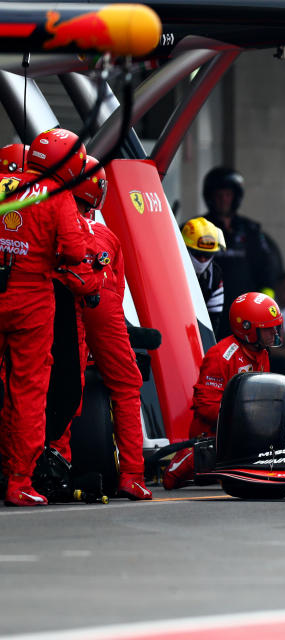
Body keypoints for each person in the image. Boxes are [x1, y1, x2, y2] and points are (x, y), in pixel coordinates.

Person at [0, 128, 88, 506]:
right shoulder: (59, 195)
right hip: (32, 297)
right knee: (29, 390)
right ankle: (19, 480)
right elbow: (74, 250)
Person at [71, 157, 151, 500]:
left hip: (61, 300)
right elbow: (115, 293)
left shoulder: (41, 218)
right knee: (127, 384)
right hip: (101, 303)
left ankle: (53, 467)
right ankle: (132, 474)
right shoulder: (107, 236)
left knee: (58, 384)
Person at [163, 292, 283, 490]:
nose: (274, 333)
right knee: (173, 479)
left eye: (275, 328)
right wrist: (245, 420)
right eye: (268, 329)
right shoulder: (221, 356)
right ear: (247, 328)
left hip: (248, 430)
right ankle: (192, 460)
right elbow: (206, 406)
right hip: (214, 435)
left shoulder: (261, 353)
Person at [201, 167, 279, 336]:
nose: (223, 200)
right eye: (218, 195)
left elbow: (267, 272)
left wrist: (263, 307)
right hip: (207, 314)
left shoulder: (252, 231)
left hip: (247, 317)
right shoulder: (197, 228)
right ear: (210, 197)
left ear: (235, 197)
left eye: (227, 195)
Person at [181, 217, 226, 333]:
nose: (202, 260)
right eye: (197, 254)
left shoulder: (215, 275)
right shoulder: (170, 270)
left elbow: (214, 320)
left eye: (207, 255)